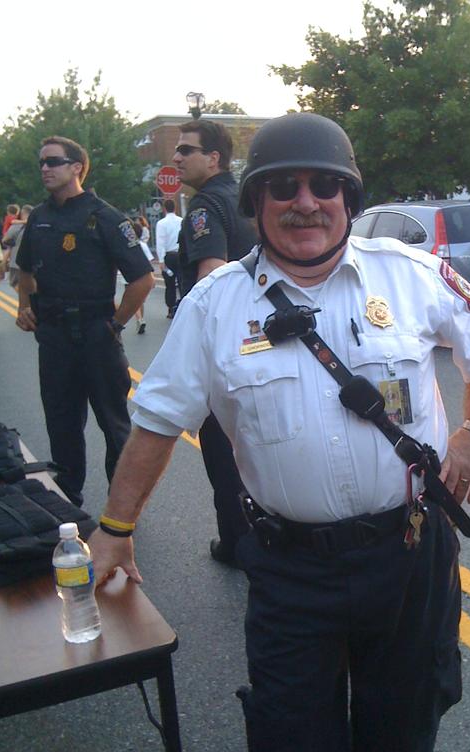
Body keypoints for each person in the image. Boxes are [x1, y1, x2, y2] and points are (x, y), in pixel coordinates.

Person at [89, 113, 470, 752]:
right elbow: (156, 420)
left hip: (409, 547)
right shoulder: (215, 307)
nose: (305, 201)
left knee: (405, 705)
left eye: (325, 186)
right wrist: (115, 529)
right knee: (291, 727)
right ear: (257, 203)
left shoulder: (407, 275)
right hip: (289, 565)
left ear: (348, 197)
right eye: (283, 186)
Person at [15, 135, 155, 507]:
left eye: (53, 161)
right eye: (41, 162)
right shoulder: (40, 218)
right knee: (61, 423)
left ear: (76, 167)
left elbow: (143, 279)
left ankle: (122, 506)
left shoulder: (105, 217)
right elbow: (24, 270)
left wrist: (117, 324)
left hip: (97, 333)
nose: (45, 168)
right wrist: (23, 305)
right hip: (55, 336)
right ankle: (67, 500)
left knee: (114, 425)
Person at [173, 119, 257, 566]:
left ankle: (237, 542)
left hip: (227, 347)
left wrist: (201, 356)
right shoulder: (246, 200)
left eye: (186, 150)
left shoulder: (207, 205)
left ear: (214, 159)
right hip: (262, 339)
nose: (177, 157)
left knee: (222, 453)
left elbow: (211, 277)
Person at [155, 198, 182, 318]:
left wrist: (161, 260)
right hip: (181, 254)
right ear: (175, 208)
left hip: (169, 256)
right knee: (182, 282)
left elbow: (160, 242)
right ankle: (183, 306)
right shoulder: (181, 221)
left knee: (170, 284)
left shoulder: (161, 224)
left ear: (164, 209)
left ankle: (171, 308)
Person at [2, 204, 33, 290]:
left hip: (16, 262)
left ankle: (26, 300)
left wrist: (4, 263)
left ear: (23, 214)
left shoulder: (16, 226)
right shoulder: (37, 226)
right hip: (33, 262)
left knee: (15, 283)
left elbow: (5, 240)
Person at [132, 221, 155, 333]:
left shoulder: (128, 245)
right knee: (140, 299)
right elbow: (150, 262)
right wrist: (152, 277)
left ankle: (139, 319)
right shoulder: (143, 245)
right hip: (142, 276)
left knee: (133, 299)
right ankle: (141, 318)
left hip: (130, 276)